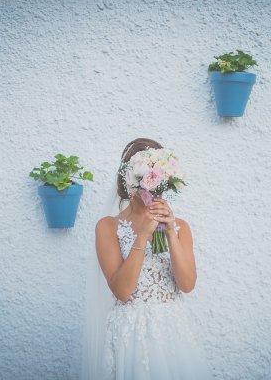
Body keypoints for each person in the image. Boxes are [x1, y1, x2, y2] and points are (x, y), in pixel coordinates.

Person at [80, 138, 213, 379]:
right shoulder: (108, 226)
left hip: (172, 332)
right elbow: (122, 291)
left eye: (158, 178)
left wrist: (170, 231)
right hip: (130, 334)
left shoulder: (181, 226)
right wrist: (142, 237)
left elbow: (187, 285)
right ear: (129, 179)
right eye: (145, 177)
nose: (151, 186)